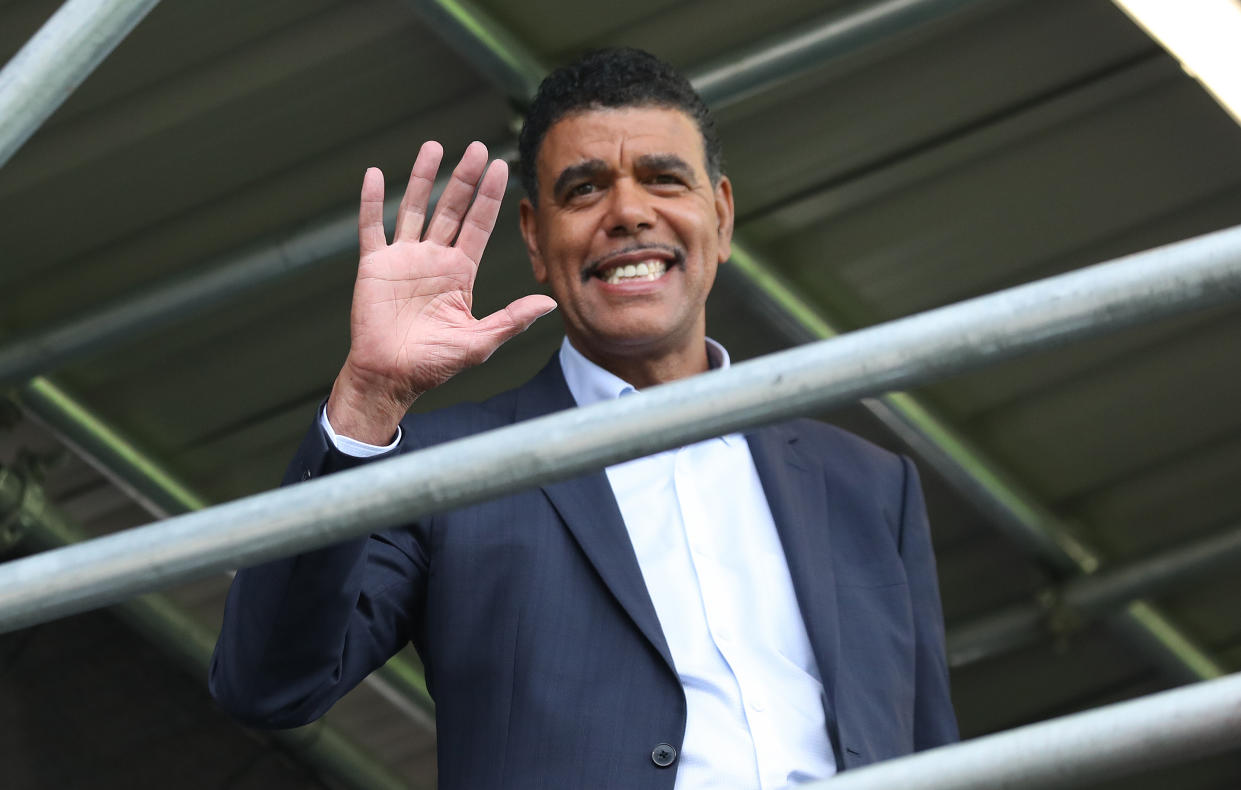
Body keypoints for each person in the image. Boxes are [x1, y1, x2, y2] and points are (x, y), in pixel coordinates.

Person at [210, 48, 957, 789]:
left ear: (721, 217)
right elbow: (269, 687)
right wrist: (368, 396)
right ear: (534, 238)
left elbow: (930, 752)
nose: (629, 213)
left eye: (663, 179)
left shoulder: (866, 483)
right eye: (585, 189)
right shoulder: (445, 466)